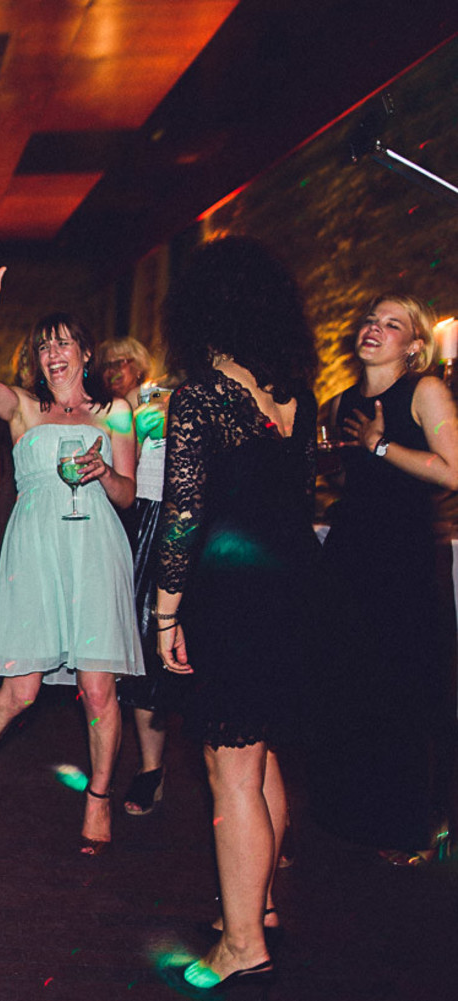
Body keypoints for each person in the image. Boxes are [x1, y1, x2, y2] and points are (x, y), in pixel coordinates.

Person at [152, 236, 321, 991]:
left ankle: (243, 942)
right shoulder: (294, 394)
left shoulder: (200, 398)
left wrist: (164, 612)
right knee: (264, 757)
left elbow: (184, 517)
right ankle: (261, 904)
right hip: (293, 587)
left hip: (234, 593)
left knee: (232, 769)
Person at [0, 253, 141, 857]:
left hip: (95, 549)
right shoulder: (26, 410)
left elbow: (129, 494)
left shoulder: (116, 413)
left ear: (86, 353)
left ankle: (99, 797)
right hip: (36, 551)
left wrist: (103, 471)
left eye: (64, 344)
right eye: (43, 347)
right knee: (21, 691)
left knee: (98, 691)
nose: (53, 354)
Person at [313, 294, 458, 865]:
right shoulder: (340, 401)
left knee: (405, 687)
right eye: (371, 319)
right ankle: (351, 815)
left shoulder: (425, 391)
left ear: (414, 345)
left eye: (391, 324)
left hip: (404, 555)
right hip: (354, 550)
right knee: (353, 683)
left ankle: (412, 827)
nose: (373, 328)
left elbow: (454, 469)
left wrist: (381, 444)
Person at [96, 337, 183, 817]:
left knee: (160, 640)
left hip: (162, 522)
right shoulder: (103, 411)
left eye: (124, 362)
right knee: (135, 648)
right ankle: (151, 769)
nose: (115, 369)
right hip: (120, 526)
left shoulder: (161, 400)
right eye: (107, 364)